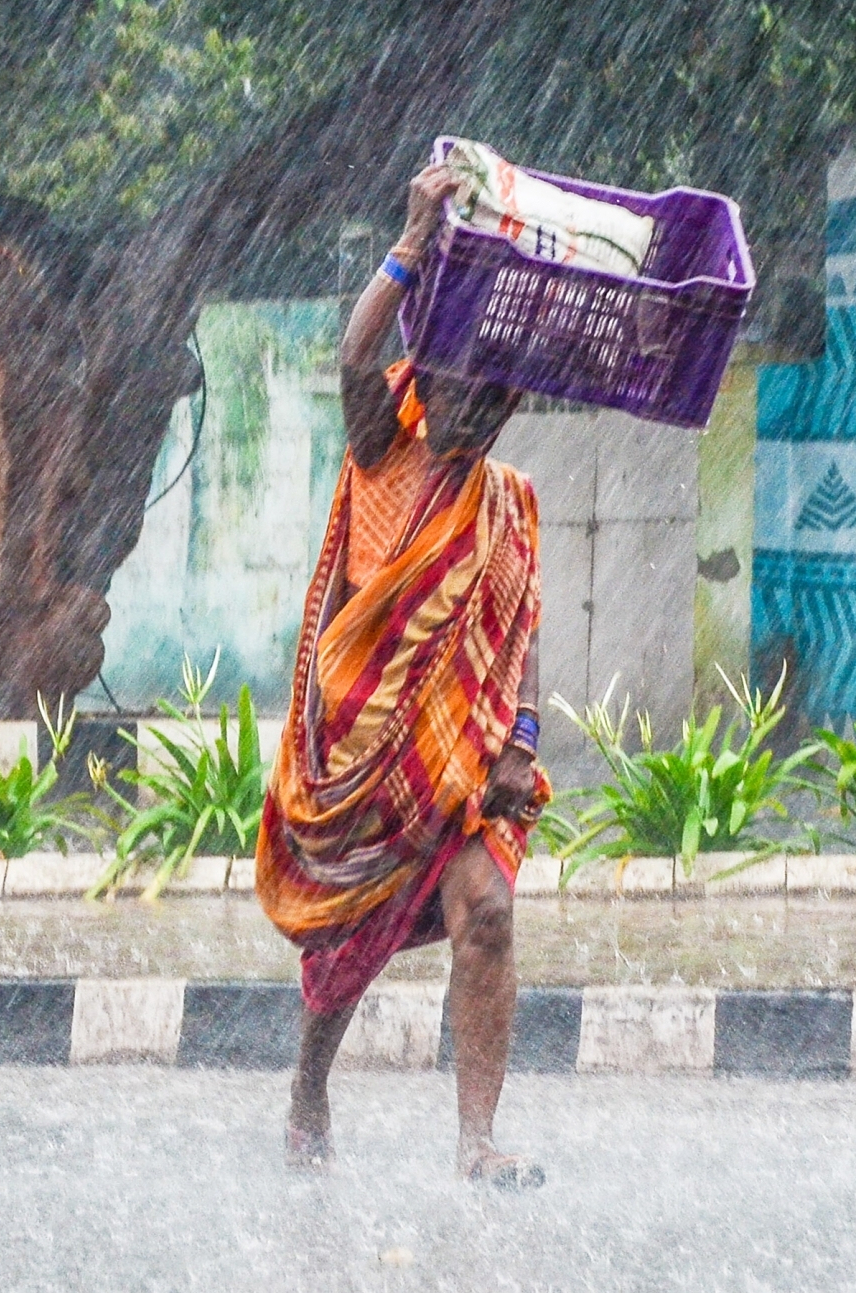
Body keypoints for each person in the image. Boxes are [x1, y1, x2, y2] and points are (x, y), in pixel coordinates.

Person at [256, 162, 549, 1187]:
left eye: (494, 397)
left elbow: (519, 636)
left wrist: (521, 741)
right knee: (344, 956)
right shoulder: (381, 444)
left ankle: (476, 1144)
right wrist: (413, 236)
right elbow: (350, 350)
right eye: (461, 390)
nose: (477, 413)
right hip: (362, 770)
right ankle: (307, 1081)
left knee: (490, 914)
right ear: (425, 382)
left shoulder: (507, 502)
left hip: (462, 764)